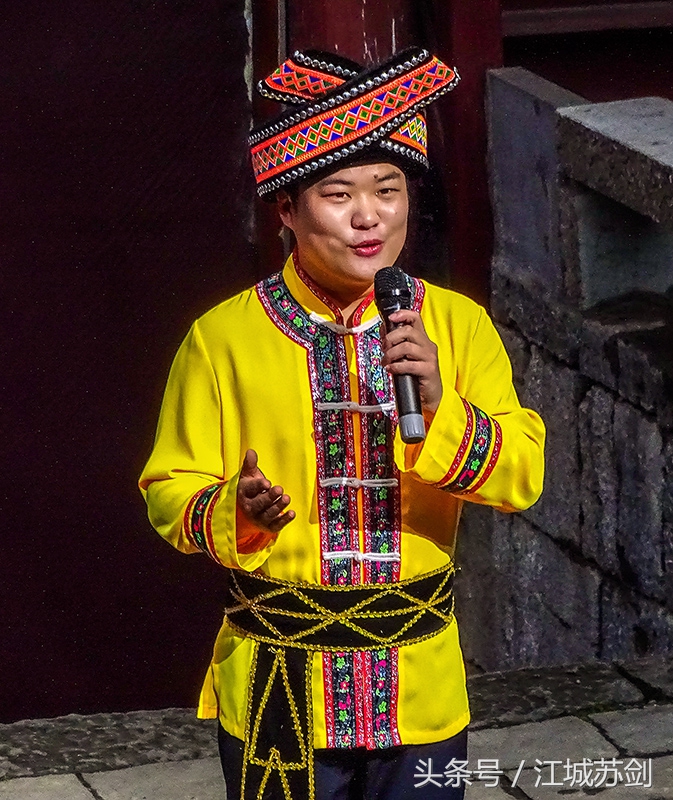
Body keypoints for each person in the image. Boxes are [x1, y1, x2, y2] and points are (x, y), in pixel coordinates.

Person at [139, 47, 545, 800]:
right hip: (279, 685)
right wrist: (235, 508)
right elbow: (168, 490)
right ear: (287, 210)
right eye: (338, 194)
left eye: (388, 191)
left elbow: (521, 473)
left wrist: (439, 404)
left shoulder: (456, 328)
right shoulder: (222, 338)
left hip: (419, 686)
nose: (369, 217)